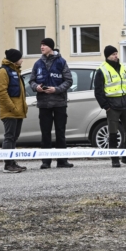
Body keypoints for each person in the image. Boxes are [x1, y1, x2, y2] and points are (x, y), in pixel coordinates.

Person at [29, 38, 74, 169]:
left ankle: (62, 161)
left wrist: (56, 89)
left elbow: (69, 81)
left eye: (44, 45)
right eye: (41, 45)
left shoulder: (61, 62)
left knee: (60, 132)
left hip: (59, 102)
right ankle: (46, 161)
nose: (42, 47)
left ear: (51, 47)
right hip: (44, 103)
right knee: (45, 132)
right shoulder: (38, 63)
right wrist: (36, 87)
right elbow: (31, 81)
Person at [94, 45, 126, 168]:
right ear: (107, 56)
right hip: (112, 106)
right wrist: (106, 106)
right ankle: (114, 158)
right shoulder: (102, 70)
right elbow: (98, 91)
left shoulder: (123, 68)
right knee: (113, 133)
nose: (116, 56)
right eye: (113, 54)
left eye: (116, 53)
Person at [0, 49, 28, 173]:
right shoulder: (4, 71)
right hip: (10, 112)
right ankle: (8, 165)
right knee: (9, 137)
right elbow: (1, 92)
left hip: (18, 111)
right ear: (15, 59)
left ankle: (13, 162)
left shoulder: (15, 71)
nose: (22, 60)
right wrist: (12, 108)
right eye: (20, 58)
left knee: (14, 137)